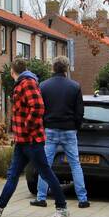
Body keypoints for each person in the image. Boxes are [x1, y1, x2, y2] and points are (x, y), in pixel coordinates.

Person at [0, 59, 69, 217]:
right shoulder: (23, 83)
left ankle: (62, 209)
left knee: (46, 173)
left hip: (31, 140)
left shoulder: (27, 83)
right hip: (22, 140)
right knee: (13, 174)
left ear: (12, 72)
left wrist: (27, 127)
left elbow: (38, 107)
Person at [32, 56, 89, 209]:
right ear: (66, 68)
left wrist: (44, 124)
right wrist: (75, 126)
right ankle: (82, 199)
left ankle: (41, 197)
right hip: (69, 130)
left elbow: (39, 109)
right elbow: (80, 112)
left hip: (50, 129)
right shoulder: (75, 86)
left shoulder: (43, 86)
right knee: (75, 164)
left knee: (45, 164)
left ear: (53, 68)